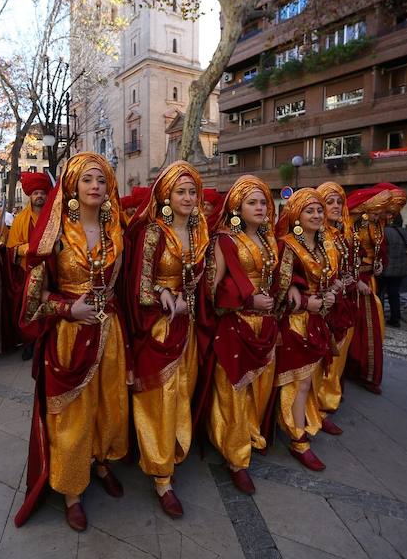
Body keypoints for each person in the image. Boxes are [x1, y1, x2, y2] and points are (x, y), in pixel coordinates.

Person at [15, 153, 128, 532]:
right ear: (73, 186)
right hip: (69, 337)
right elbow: (33, 298)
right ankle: (71, 491)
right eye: (87, 180)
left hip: (110, 333)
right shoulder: (56, 234)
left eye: (101, 179)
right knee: (72, 417)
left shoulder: (117, 229)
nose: (95, 186)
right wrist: (68, 308)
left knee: (109, 406)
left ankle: (102, 462)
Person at [124, 161, 208, 518]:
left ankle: (173, 451)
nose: (188, 198)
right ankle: (162, 477)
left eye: (192, 192)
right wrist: (163, 293)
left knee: (181, 396)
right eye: (180, 192)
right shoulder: (153, 234)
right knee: (159, 400)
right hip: (158, 329)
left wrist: (191, 301)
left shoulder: (199, 233)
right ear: (166, 196)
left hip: (187, 330)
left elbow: (203, 283)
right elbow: (139, 289)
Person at [204, 175, 279, 495]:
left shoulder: (268, 239)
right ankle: (236, 459)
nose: (260, 208)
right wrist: (247, 300)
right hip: (236, 325)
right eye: (252, 202)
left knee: (258, 391)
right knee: (233, 394)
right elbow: (212, 289)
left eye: (263, 202)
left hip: (266, 326)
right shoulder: (225, 241)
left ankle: (249, 437)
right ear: (237, 207)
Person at [271, 188, 344, 471]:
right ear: (296, 216)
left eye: (318, 210)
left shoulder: (324, 243)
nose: (316, 215)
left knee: (309, 380)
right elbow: (279, 289)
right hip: (295, 323)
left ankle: (303, 423)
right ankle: (298, 440)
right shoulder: (288, 246)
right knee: (298, 383)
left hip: (318, 320)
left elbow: (328, 279)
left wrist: (330, 293)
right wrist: (303, 301)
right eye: (309, 211)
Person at [312, 182, 357, 417]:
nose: (336, 206)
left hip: (342, 300)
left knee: (339, 350)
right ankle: (320, 402)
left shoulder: (339, 234)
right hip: (324, 304)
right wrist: (331, 284)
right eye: (329, 202)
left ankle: (330, 395)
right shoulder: (317, 235)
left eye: (339, 202)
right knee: (326, 353)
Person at [345, 187, 391, 394]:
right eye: (375, 212)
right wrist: (355, 281)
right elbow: (343, 258)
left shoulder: (375, 226)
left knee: (369, 327)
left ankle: (365, 371)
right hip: (354, 284)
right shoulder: (349, 227)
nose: (377, 216)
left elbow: (378, 251)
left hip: (368, 280)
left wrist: (378, 265)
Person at [6, 172, 52, 360]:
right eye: (35, 193)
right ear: (30, 196)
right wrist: (29, 249)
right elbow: (12, 248)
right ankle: (30, 343)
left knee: (49, 306)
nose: (39, 196)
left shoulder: (55, 217)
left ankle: (48, 342)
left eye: (42, 193)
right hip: (29, 272)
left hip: (52, 272)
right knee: (29, 309)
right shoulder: (20, 220)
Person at [379, 213, 407, 328]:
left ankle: (379, 316)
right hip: (401, 268)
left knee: (380, 292)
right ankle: (395, 318)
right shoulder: (405, 232)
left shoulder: (384, 231)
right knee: (394, 293)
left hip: (387, 267)